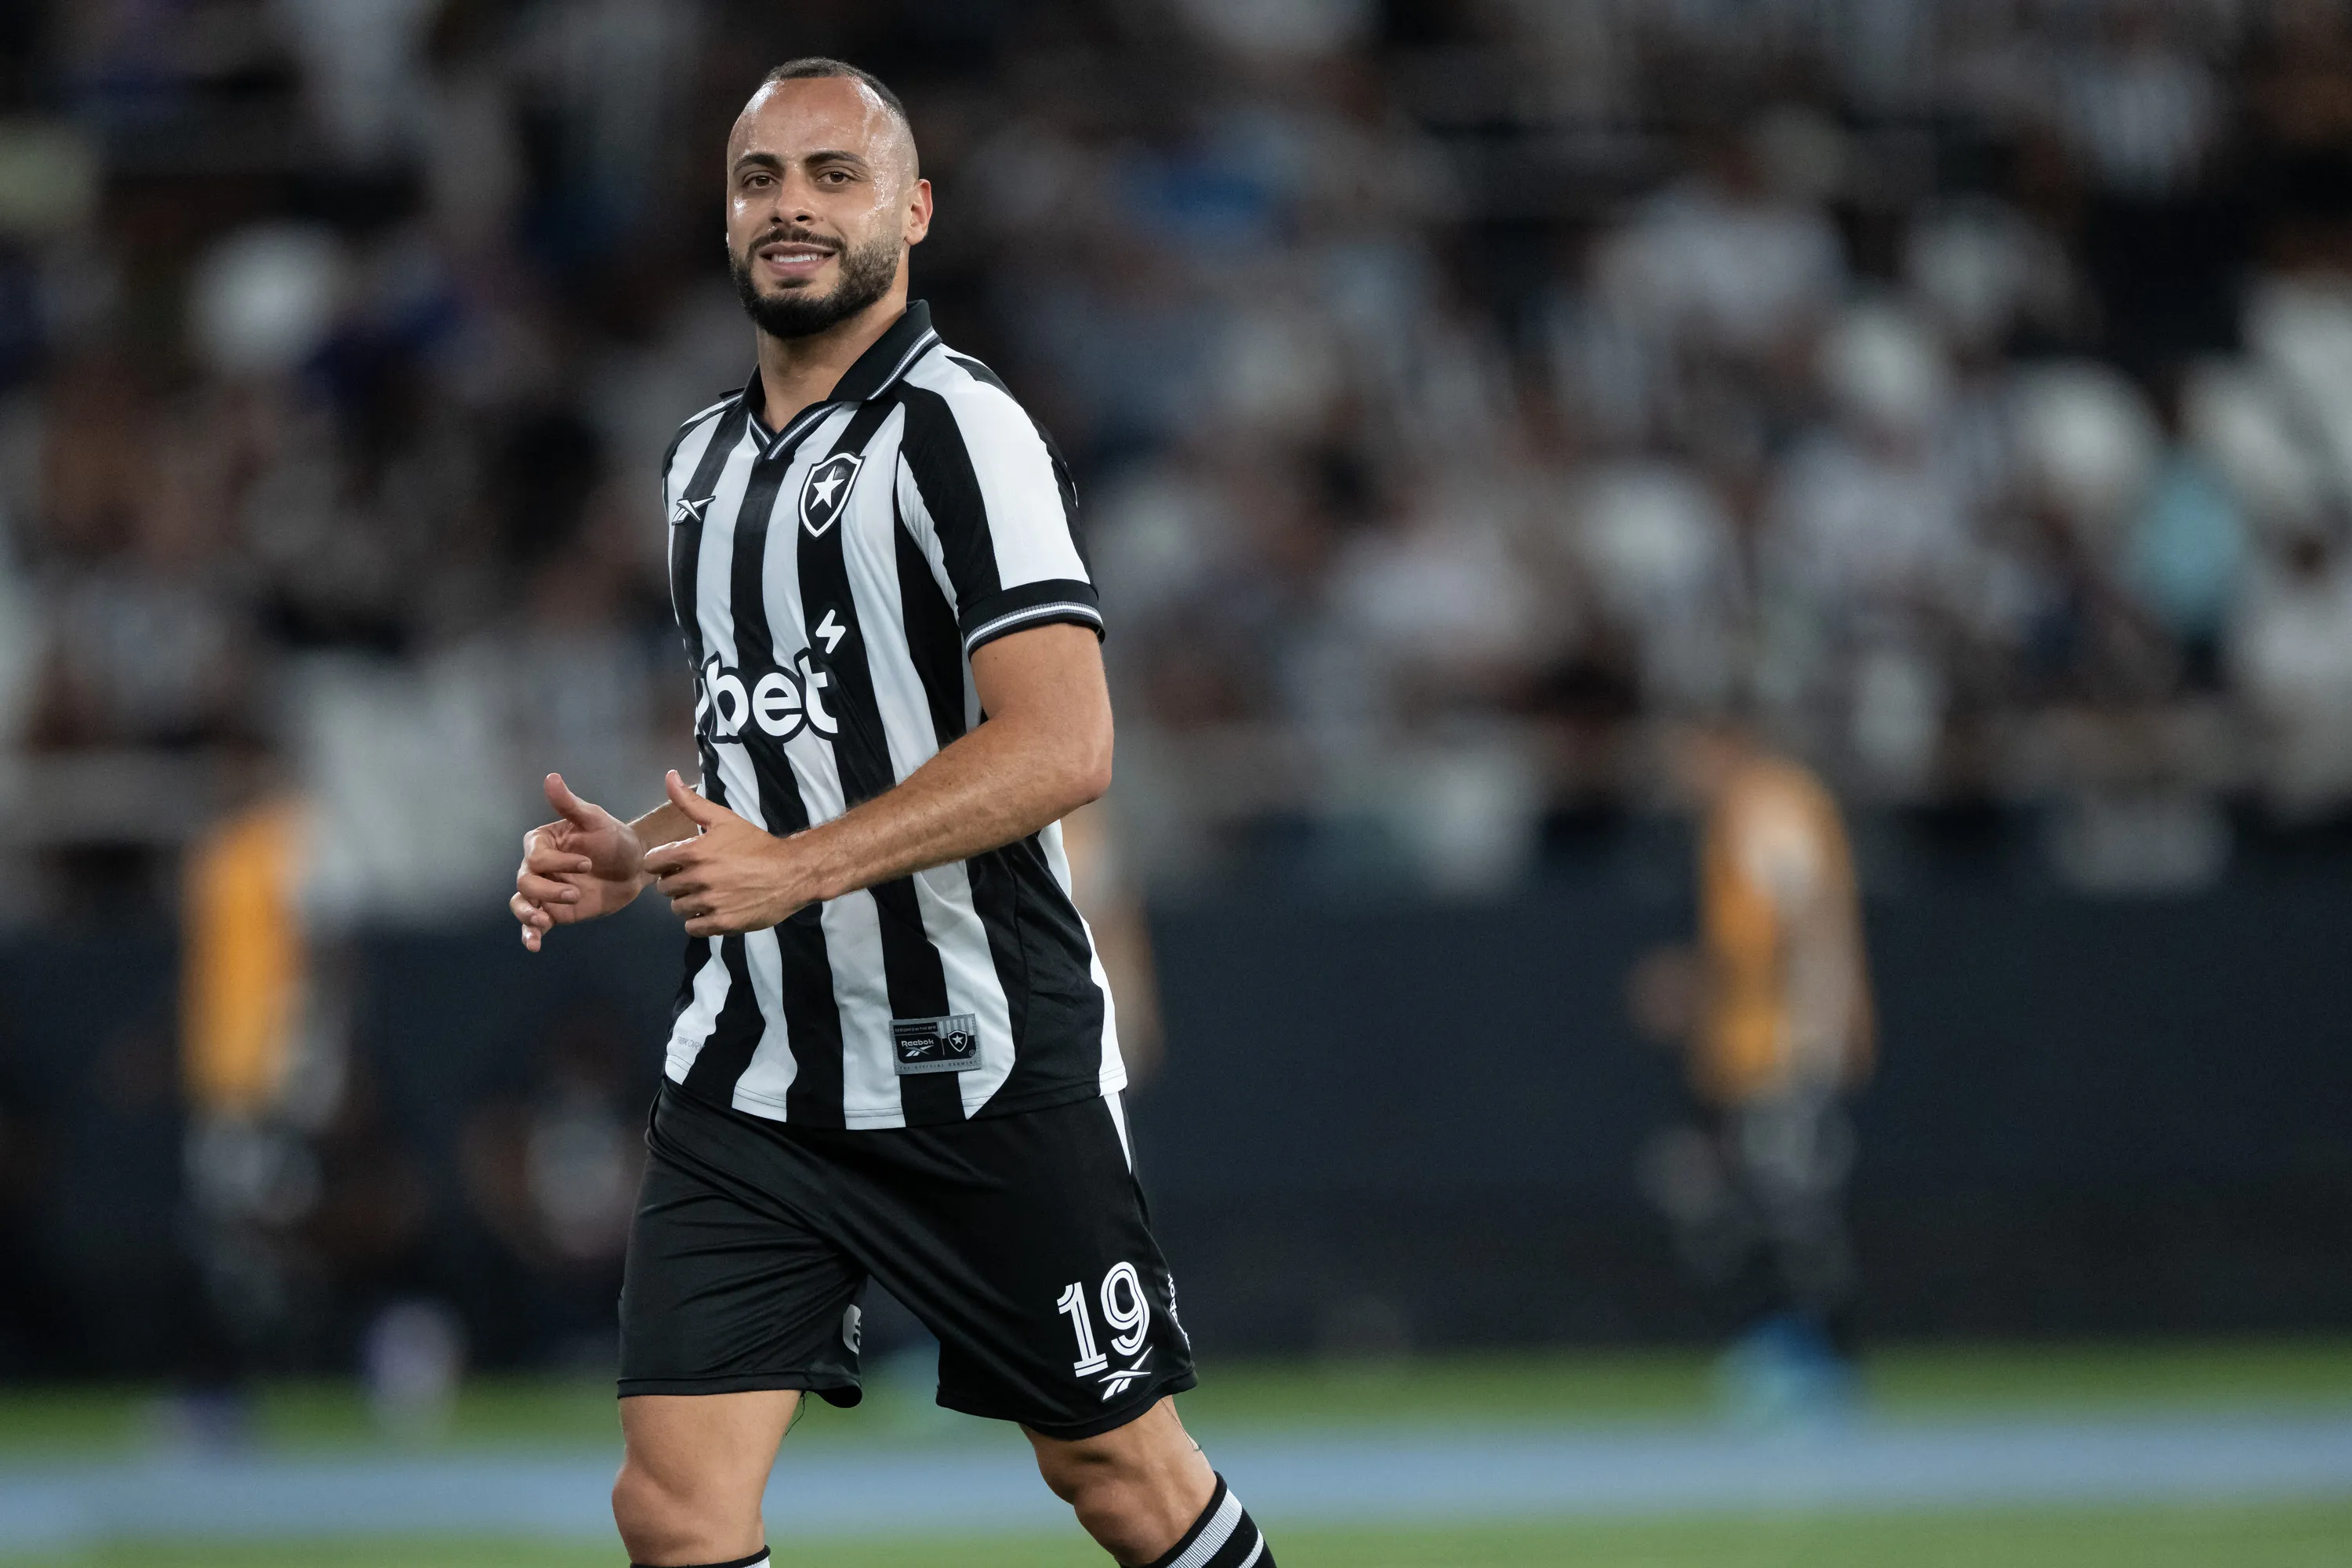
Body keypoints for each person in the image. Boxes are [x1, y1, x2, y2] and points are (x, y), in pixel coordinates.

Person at [509, 59, 1272, 1568]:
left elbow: (1065, 744)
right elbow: (779, 750)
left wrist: (797, 870)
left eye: (832, 176)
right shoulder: (696, 468)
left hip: (976, 1058)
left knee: (1123, 1481)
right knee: (672, 1507)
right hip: (757, 1076)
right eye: (759, 180)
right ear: (726, 219)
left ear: (910, 212)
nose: (791, 205)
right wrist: (638, 853)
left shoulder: (964, 432)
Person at [1635, 717, 1874, 1417]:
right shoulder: (1740, 815)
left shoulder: (1772, 804)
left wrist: (1703, 983)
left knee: (1793, 1205)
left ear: (1722, 742)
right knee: (1724, 1191)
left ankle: (1822, 1360)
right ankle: (1784, 1342)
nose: (1680, 780)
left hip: (1789, 1044)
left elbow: (1797, 926)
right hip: (1748, 1047)